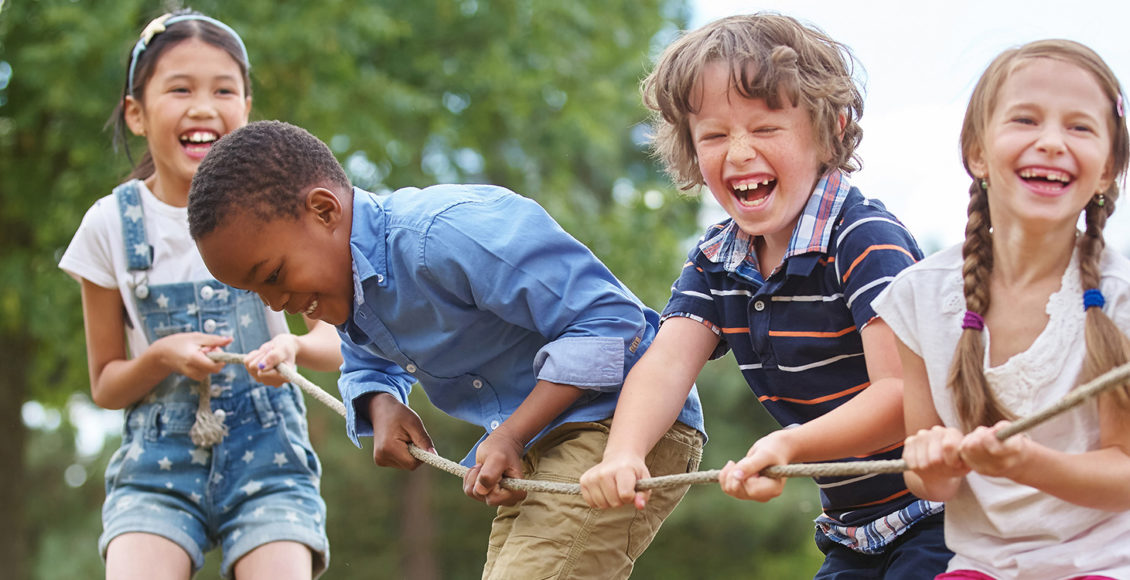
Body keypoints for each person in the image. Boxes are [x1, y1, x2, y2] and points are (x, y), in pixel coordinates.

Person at [186, 119, 706, 579]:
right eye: (259, 294)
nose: (276, 300)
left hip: (623, 422)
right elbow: (364, 353)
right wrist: (382, 403)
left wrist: (511, 432)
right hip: (541, 444)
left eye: (273, 276)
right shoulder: (349, 286)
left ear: (324, 211)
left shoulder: (444, 234)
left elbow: (610, 322)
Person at [579, 13, 952, 578]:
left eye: (765, 128)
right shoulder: (718, 261)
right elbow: (664, 365)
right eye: (714, 135)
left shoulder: (862, 239)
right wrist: (624, 453)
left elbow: (902, 393)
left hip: (944, 513)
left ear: (831, 128)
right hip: (854, 531)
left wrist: (789, 446)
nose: (739, 152)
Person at [58, 11, 341, 580]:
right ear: (136, 113)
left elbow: (336, 341)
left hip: (270, 458)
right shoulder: (109, 225)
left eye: (223, 89)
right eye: (180, 88)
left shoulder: (285, 207)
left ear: (247, 106)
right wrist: (162, 357)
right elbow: (106, 383)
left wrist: (294, 352)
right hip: (156, 468)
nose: (204, 106)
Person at [874, 39, 1130, 579]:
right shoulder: (919, 296)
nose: (1053, 142)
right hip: (981, 567)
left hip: (1104, 565)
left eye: (1080, 128)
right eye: (1026, 119)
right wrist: (932, 460)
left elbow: (1124, 473)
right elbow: (932, 485)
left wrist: (1027, 464)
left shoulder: (1120, 294)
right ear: (977, 153)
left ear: (1107, 169)